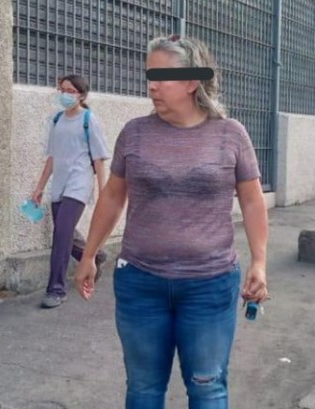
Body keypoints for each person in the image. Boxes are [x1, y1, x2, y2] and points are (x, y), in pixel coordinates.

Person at [74, 35, 269, 409]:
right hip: (140, 284)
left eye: (164, 75)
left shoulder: (230, 134)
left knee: (208, 387)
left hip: (209, 286)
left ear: (193, 81)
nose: (152, 84)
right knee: (144, 389)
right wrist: (89, 255)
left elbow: (252, 199)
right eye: (151, 74)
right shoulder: (135, 132)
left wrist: (259, 262)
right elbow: (114, 195)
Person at [32, 74, 110, 309]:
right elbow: (52, 158)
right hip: (60, 184)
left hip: (79, 183)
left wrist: (103, 193)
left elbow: (98, 160)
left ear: (82, 95)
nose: (65, 94)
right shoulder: (56, 120)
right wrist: (39, 188)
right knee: (64, 233)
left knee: (61, 235)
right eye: (62, 90)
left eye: (70, 90)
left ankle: (56, 289)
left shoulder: (89, 120)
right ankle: (96, 256)